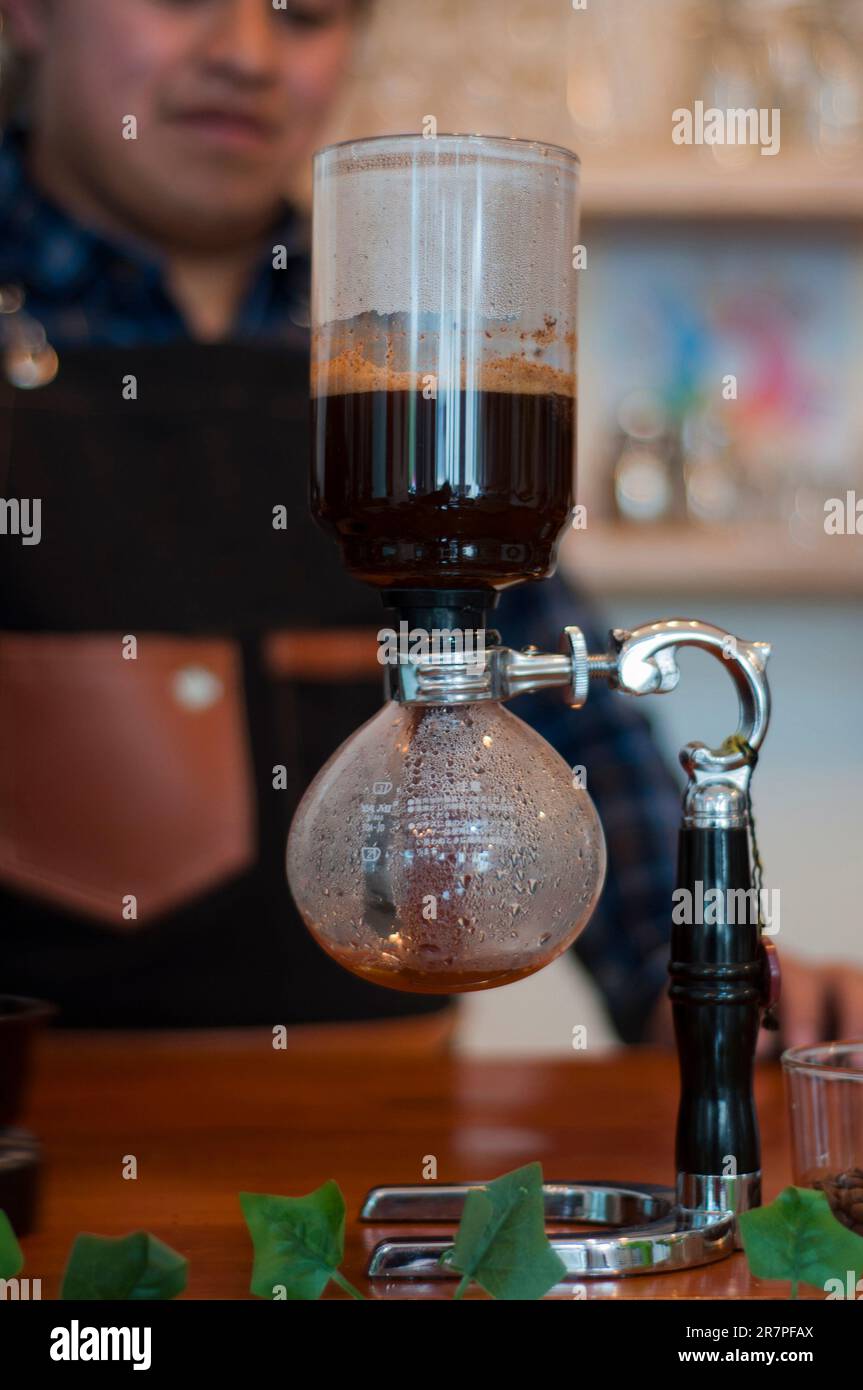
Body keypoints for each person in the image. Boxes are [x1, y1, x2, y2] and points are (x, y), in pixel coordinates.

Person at [0, 0, 858, 1052]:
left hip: (387, 1120)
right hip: (57, 1141)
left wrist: (702, 974)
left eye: (305, 16)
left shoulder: (405, 331)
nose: (245, 55)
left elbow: (561, 702)